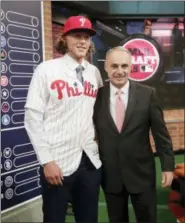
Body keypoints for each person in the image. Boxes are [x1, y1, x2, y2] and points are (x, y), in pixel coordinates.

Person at [24, 15, 103, 223]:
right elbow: (32, 118)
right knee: (54, 219)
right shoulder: (46, 69)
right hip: (57, 161)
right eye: (77, 35)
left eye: (86, 37)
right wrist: (47, 160)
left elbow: (98, 112)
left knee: (88, 219)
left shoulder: (94, 73)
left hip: (89, 161)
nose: (83, 41)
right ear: (65, 38)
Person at [93, 46, 175, 223]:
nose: (120, 71)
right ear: (106, 67)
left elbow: (161, 135)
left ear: (131, 67)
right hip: (111, 175)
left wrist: (167, 166)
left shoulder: (148, 94)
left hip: (142, 174)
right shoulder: (96, 97)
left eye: (124, 66)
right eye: (114, 66)